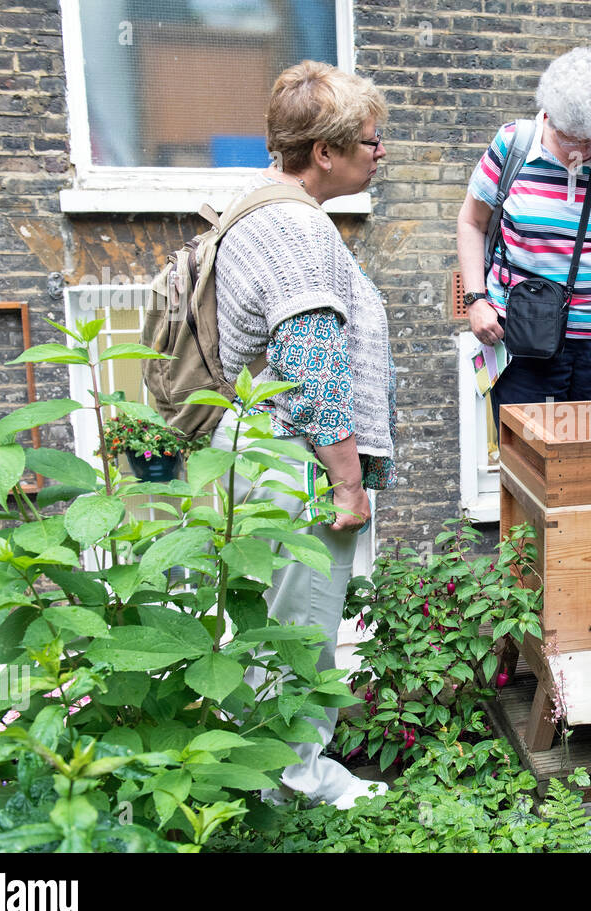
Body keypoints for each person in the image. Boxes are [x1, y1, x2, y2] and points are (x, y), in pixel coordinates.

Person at [212, 60, 396, 809]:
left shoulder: (254, 208)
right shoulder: (297, 229)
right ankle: (295, 787)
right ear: (324, 151)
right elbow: (314, 368)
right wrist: (349, 485)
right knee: (301, 632)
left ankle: (253, 779)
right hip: (300, 467)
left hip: (260, 454)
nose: (379, 152)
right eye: (369, 140)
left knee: (264, 627)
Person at [456, 47, 591, 425]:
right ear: (549, 117)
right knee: (527, 457)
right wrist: (475, 300)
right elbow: (471, 222)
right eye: (572, 138)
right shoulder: (513, 145)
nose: (584, 151)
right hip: (524, 337)